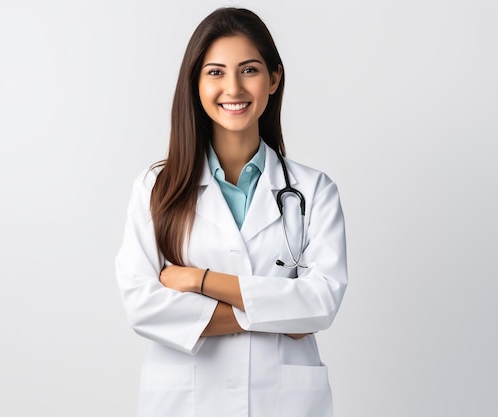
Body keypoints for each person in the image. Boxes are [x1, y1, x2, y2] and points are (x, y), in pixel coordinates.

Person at [115, 7, 347, 417]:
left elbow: (320, 303)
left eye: (250, 70)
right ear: (196, 83)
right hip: (185, 402)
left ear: (274, 78)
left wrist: (199, 280)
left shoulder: (314, 191)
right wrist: (279, 315)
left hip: (283, 403)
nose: (234, 87)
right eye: (216, 72)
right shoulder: (156, 189)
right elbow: (142, 306)